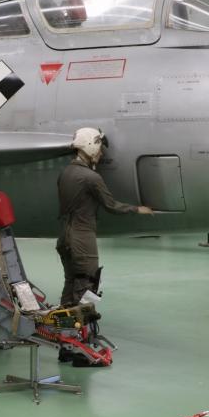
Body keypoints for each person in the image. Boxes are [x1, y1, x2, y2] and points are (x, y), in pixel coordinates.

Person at [56, 128, 153, 309]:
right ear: (90, 146)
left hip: (64, 239)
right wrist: (137, 209)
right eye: (100, 148)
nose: (101, 153)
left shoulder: (65, 173)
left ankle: (63, 322)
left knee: (71, 282)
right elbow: (111, 205)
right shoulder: (92, 178)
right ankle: (81, 324)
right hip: (82, 239)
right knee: (87, 284)